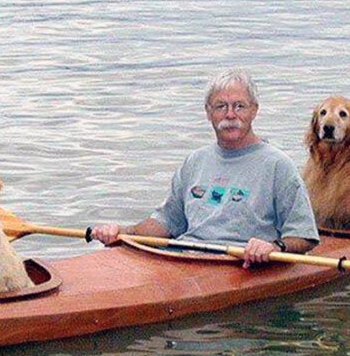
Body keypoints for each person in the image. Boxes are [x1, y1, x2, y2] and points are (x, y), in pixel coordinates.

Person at [91, 68, 319, 268]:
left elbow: (304, 235)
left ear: (254, 110)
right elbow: (167, 223)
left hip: (241, 264)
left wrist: (275, 247)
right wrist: (123, 233)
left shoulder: (278, 165)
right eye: (221, 106)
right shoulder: (195, 161)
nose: (230, 115)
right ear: (208, 112)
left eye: (239, 106)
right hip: (186, 259)